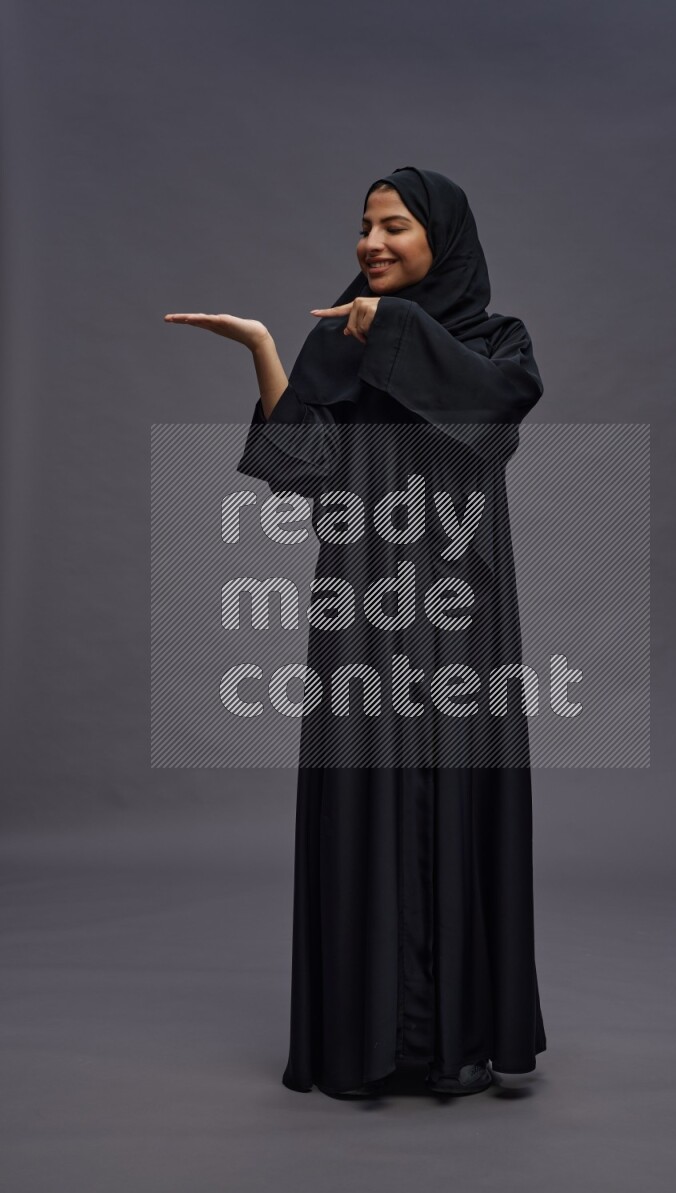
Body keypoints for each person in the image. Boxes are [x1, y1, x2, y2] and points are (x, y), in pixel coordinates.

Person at [164, 165, 547, 1099]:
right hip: (364, 605)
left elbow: (492, 419)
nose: (371, 244)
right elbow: (303, 468)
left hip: (460, 610)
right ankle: (371, 1040)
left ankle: (458, 1038)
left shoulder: (497, 341)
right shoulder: (338, 341)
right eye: (365, 228)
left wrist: (397, 330)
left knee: (457, 790)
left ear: (441, 239)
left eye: (394, 226)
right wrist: (264, 349)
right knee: (364, 795)